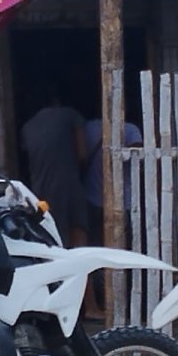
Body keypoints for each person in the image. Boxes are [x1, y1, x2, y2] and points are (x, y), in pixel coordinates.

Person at [21, 85, 88, 248]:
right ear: (56, 101)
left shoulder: (27, 127)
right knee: (78, 226)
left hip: (39, 190)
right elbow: (82, 154)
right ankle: (83, 270)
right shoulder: (70, 115)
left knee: (50, 232)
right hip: (68, 183)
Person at [83, 118, 145, 247]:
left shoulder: (88, 128)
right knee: (123, 245)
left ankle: (100, 267)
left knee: (96, 243)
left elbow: (79, 156)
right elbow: (138, 158)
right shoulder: (130, 129)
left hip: (92, 197)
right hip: (122, 200)